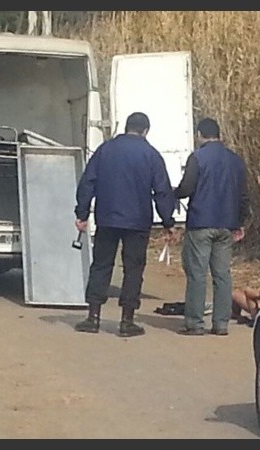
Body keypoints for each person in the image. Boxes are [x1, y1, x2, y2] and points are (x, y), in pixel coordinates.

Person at [73, 112, 176, 337]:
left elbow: (87, 182)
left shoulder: (105, 150)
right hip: (138, 222)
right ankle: (127, 321)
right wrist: (168, 221)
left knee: (101, 265)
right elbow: (162, 191)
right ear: (145, 131)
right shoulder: (151, 155)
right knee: (133, 269)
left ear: (126, 127)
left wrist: (82, 213)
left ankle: (93, 317)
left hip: (107, 218)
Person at [174, 117, 249, 336]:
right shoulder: (235, 160)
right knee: (222, 274)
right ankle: (221, 323)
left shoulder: (197, 158)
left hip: (201, 223)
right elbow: (244, 195)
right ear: (219, 134)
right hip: (227, 224)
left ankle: (195, 323)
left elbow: (187, 188)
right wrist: (240, 222)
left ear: (199, 134)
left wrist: (174, 193)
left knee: (197, 273)